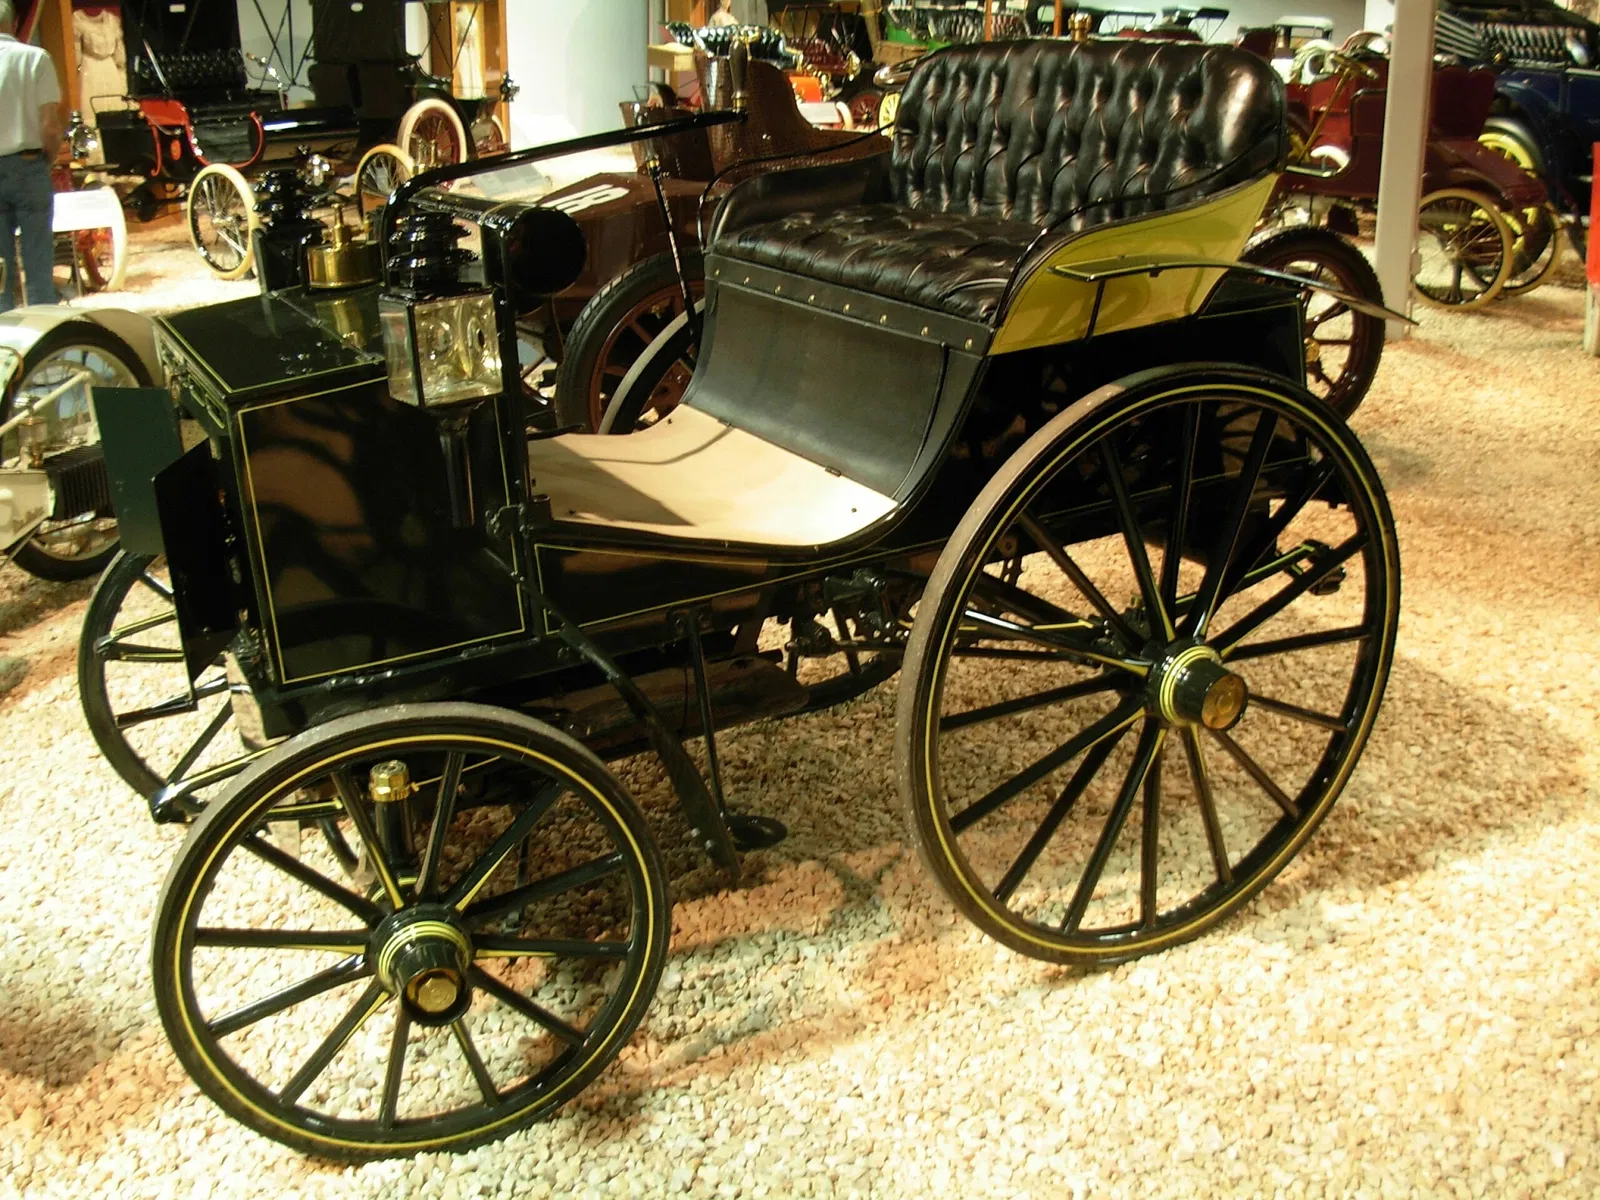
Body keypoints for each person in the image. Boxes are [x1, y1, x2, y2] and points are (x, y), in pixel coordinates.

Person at [0, 0, 63, 310]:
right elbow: (50, 126)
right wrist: (47, 160)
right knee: (38, 263)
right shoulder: (35, 59)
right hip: (28, 164)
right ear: (13, 24)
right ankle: (43, 339)